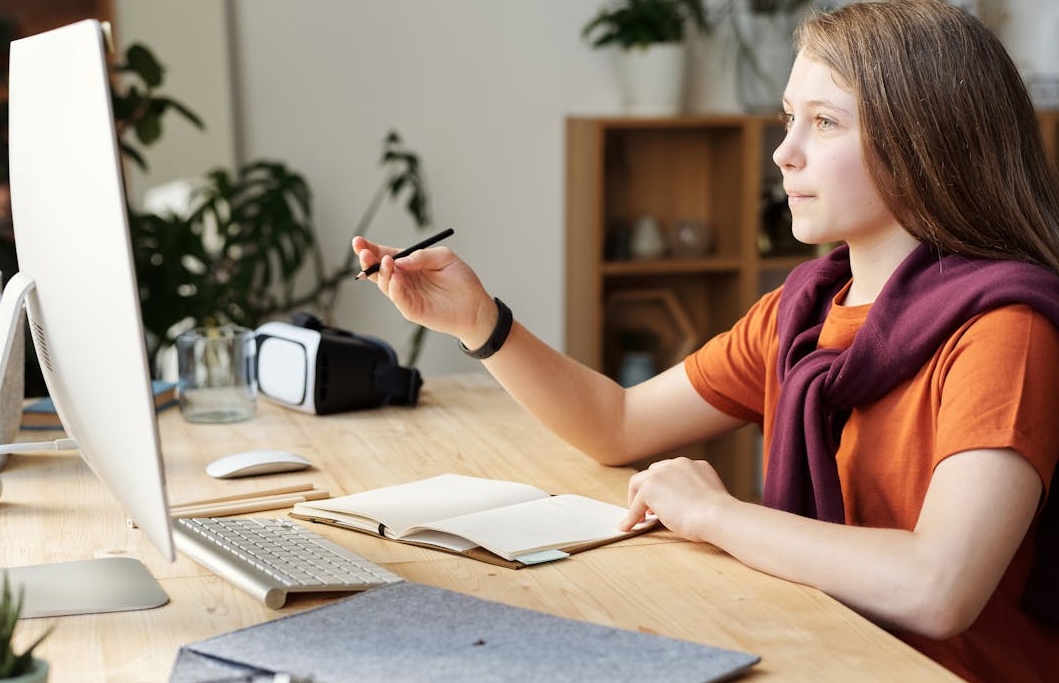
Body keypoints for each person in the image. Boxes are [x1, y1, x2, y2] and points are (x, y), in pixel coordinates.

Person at [352, 1, 1059, 680]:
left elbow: (937, 587)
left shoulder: (1003, 332)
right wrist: (480, 321)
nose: (784, 153)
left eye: (825, 122)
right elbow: (618, 423)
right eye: (789, 119)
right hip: (820, 648)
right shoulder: (801, 313)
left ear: (925, 142)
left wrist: (716, 514)